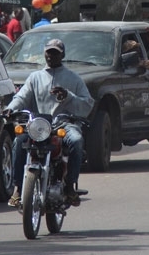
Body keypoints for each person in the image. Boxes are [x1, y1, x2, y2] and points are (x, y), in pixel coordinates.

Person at [6, 39, 94, 207]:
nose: (51, 56)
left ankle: (69, 186)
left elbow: (87, 104)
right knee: (19, 141)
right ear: (44, 54)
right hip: (39, 125)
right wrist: (10, 109)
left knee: (76, 141)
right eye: (48, 52)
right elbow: (21, 97)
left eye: (55, 52)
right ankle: (18, 188)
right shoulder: (35, 77)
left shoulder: (73, 79)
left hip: (64, 124)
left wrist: (67, 96)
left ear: (62, 55)